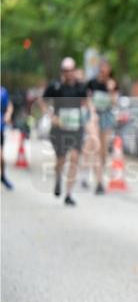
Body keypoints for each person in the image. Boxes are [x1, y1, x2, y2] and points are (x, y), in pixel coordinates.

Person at [42, 58, 89, 206]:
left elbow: (88, 103)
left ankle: (68, 194)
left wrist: (90, 117)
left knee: (74, 157)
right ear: (62, 71)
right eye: (65, 70)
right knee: (61, 159)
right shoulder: (55, 86)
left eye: (71, 70)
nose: (68, 73)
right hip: (59, 129)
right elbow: (42, 102)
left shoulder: (81, 87)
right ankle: (58, 178)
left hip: (75, 127)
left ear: (74, 70)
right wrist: (52, 116)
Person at [85, 59, 119, 194]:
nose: (104, 70)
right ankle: (99, 182)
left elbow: (114, 103)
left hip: (106, 117)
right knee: (96, 147)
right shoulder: (92, 83)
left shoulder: (113, 84)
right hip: (94, 116)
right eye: (102, 67)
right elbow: (88, 99)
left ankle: (100, 175)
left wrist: (111, 90)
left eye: (107, 68)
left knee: (104, 151)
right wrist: (93, 112)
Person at [1, 85, 13, 190]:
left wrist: (8, 114)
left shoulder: (2, 91)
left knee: (1, 157)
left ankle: (3, 176)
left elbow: (8, 105)